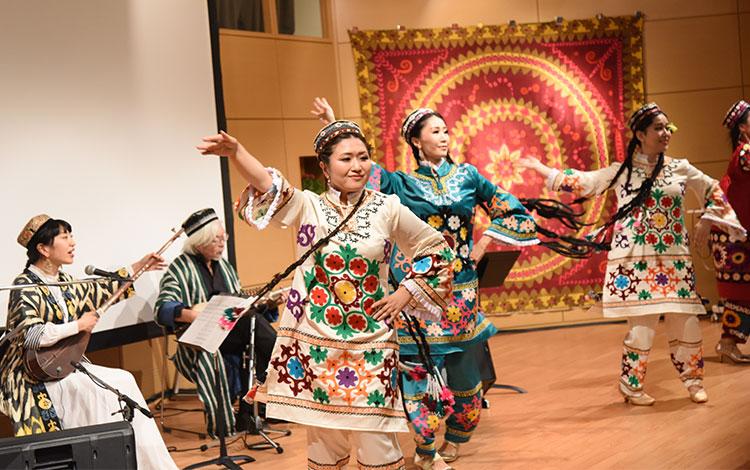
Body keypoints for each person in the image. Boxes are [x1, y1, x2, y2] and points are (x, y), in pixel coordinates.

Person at [197, 122, 454, 470]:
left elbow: (435, 248)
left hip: (373, 344)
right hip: (315, 346)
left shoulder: (387, 208)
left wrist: (406, 293)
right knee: (324, 443)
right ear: (324, 166)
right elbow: (268, 187)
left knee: (377, 442)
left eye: (363, 157)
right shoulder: (309, 207)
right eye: (345, 158)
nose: (357, 166)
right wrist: (237, 152)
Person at [312, 99, 541, 469]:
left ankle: (456, 438)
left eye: (446, 130)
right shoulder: (399, 183)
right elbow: (356, 167)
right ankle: (426, 451)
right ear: (416, 142)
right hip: (415, 295)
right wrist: (332, 122)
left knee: (468, 382)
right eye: (435, 131)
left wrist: (483, 242)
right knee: (419, 378)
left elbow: (513, 211)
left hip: (462, 294)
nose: (444, 137)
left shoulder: (468, 177)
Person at [519, 103, 747, 405]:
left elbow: (712, 190)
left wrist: (707, 220)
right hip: (635, 263)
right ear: (640, 134)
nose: (665, 133)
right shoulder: (622, 172)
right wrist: (543, 170)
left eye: (668, 128)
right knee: (641, 330)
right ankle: (632, 386)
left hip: (674, 262)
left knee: (687, 323)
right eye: (658, 128)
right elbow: (584, 182)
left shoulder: (680, 167)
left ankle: (693, 381)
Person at [0, 214, 177, 469]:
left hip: (61, 367)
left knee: (123, 380)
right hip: (30, 376)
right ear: (43, 248)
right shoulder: (24, 285)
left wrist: (141, 264)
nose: (73, 242)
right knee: (99, 389)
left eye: (71, 235)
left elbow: (105, 287)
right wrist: (78, 325)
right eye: (64, 237)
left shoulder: (65, 281)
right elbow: (32, 335)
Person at [155, 208, 279, 436]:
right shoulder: (180, 268)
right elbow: (163, 309)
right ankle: (263, 395)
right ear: (200, 242)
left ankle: (248, 413)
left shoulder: (225, 267)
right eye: (217, 239)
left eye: (224, 238)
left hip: (229, 332)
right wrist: (196, 315)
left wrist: (266, 303)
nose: (223, 244)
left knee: (252, 325)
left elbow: (240, 302)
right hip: (198, 338)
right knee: (257, 332)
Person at [712, 100, 750, 363]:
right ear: (743, 128)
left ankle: (728, 342)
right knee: (741, 292)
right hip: (733, 234)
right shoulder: (746, 153)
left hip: (736, 231)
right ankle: (727, 342)